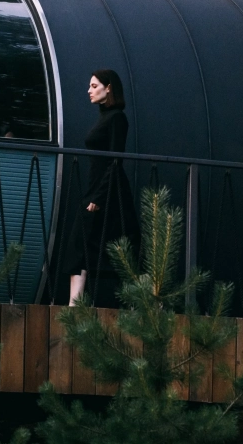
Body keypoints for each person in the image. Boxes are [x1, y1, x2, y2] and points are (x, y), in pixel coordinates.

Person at [63, 69, 139, 307]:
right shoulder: (104, 117)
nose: (89, 90)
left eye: (94, 86)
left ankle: (148, 303)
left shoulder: (117, 118)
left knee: (124, 249)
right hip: (97, 190)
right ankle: (74, 305)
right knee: (81, 245)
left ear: (109, 88)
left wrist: (98, 196)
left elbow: (116, 160)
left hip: (109, 193)